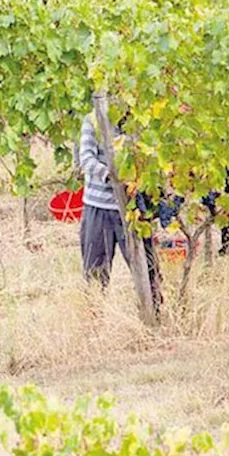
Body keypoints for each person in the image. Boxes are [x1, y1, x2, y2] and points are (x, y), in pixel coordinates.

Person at [77, 110, 162, 311]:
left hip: (133, 209)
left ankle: (153, 316)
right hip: (98, 207)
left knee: (146, 267)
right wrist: (112, 177)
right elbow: (86, 159)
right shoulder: (93, 120)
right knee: (95, 271)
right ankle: (94, 321)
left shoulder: (141, 119)